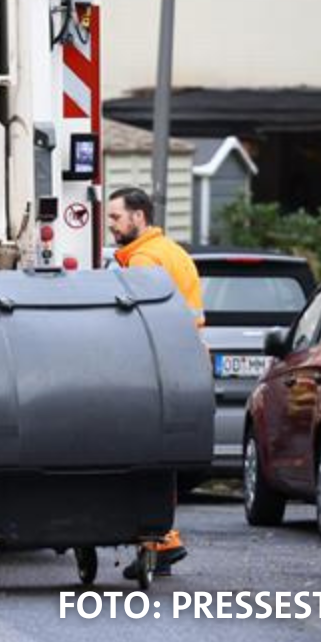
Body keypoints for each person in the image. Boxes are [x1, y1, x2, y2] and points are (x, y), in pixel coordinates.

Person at [105, 186, 204, 580]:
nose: (110, 225)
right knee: (155, 459)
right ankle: (161, 540)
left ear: (139, 218)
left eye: (115, 218)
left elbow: (137, 322)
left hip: (157, 370)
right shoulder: (171, 252)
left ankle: (160, 540)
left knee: (140, 457)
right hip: (177, 367)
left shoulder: (145, 261)